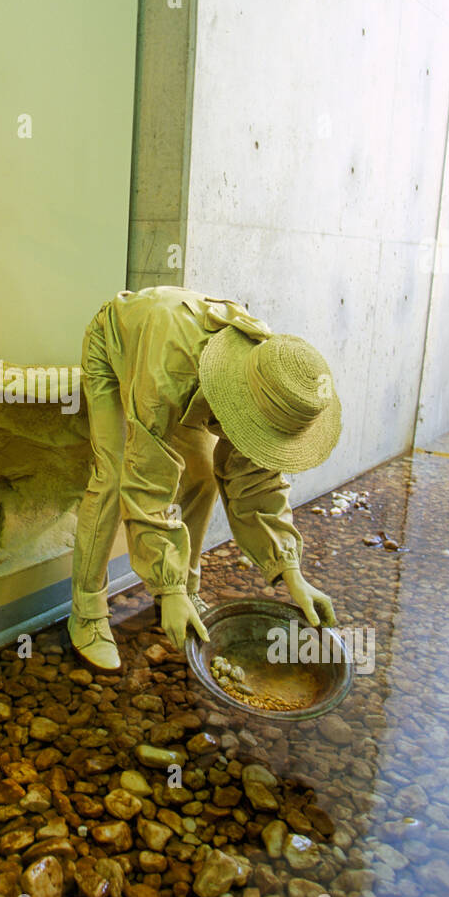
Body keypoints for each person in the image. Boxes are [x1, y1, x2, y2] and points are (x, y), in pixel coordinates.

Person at [68, 286, 340, 673]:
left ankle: (183, 592)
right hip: (121, 346)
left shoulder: (274, 377)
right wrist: (166, 581)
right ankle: (86, 612)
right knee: (113, 477)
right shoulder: (168, 373)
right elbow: (146, 481)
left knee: (202, 476)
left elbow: (257, 481)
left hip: (186, 364)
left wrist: (291, 571)